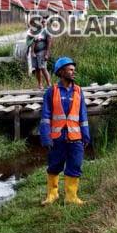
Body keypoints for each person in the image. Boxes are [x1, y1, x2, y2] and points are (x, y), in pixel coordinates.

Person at [39, 56, 89, 206]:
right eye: (70, 70)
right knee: (54, 166)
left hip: (76, 137)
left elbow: (83, 115)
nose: (74, 72)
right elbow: (45, 117)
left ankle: (71, 197)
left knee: (75, 165)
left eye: (74, 70)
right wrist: (46, 137)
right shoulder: (51, 92)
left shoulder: (79, 91)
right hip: (57, 137)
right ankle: (52, 194)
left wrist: (86, 135)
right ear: (61, 72)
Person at [26, 20, 52, 88]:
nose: (43, 23)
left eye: (44, 22)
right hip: (34, 52)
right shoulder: (34, 31)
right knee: (37, 68)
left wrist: (47, 53)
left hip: (42, 51)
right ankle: (40, 85)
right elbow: (29, 40)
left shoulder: (46, 31)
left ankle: (49, 84)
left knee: (43, 67)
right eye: (42, 22)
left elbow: (49, 42)